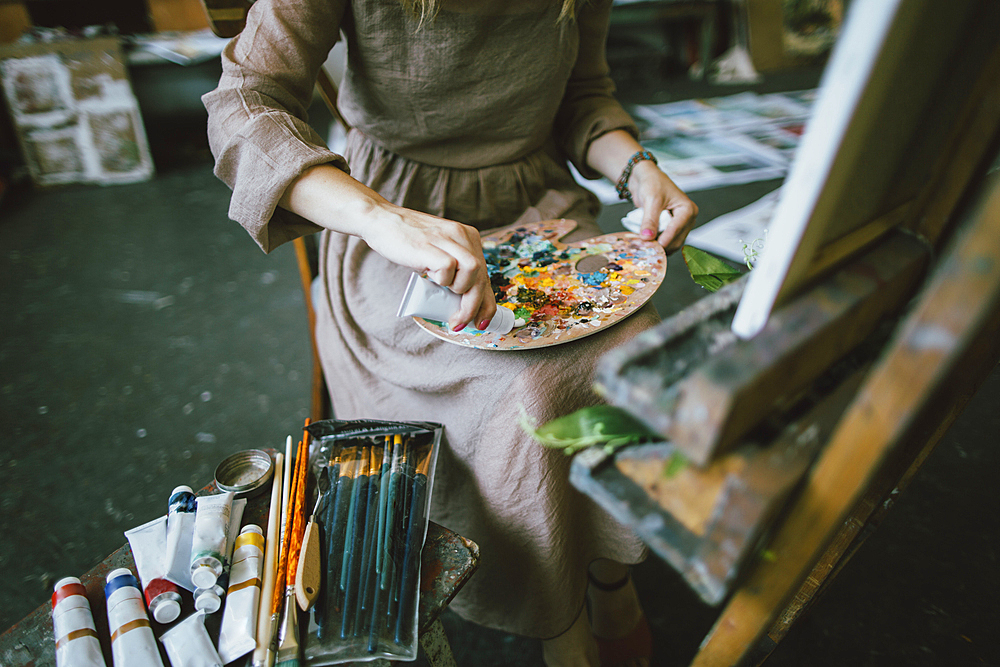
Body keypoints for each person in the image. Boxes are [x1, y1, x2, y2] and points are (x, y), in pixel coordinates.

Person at [204, 1, 697, 665]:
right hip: (393, 218)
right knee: (531, 385)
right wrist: (378, 217)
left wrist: (638, 168)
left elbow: (584, 94)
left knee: (624, 345)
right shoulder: (382, 213)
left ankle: (609, 569)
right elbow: (243, 103)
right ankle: (562, 622)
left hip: (535, 200)